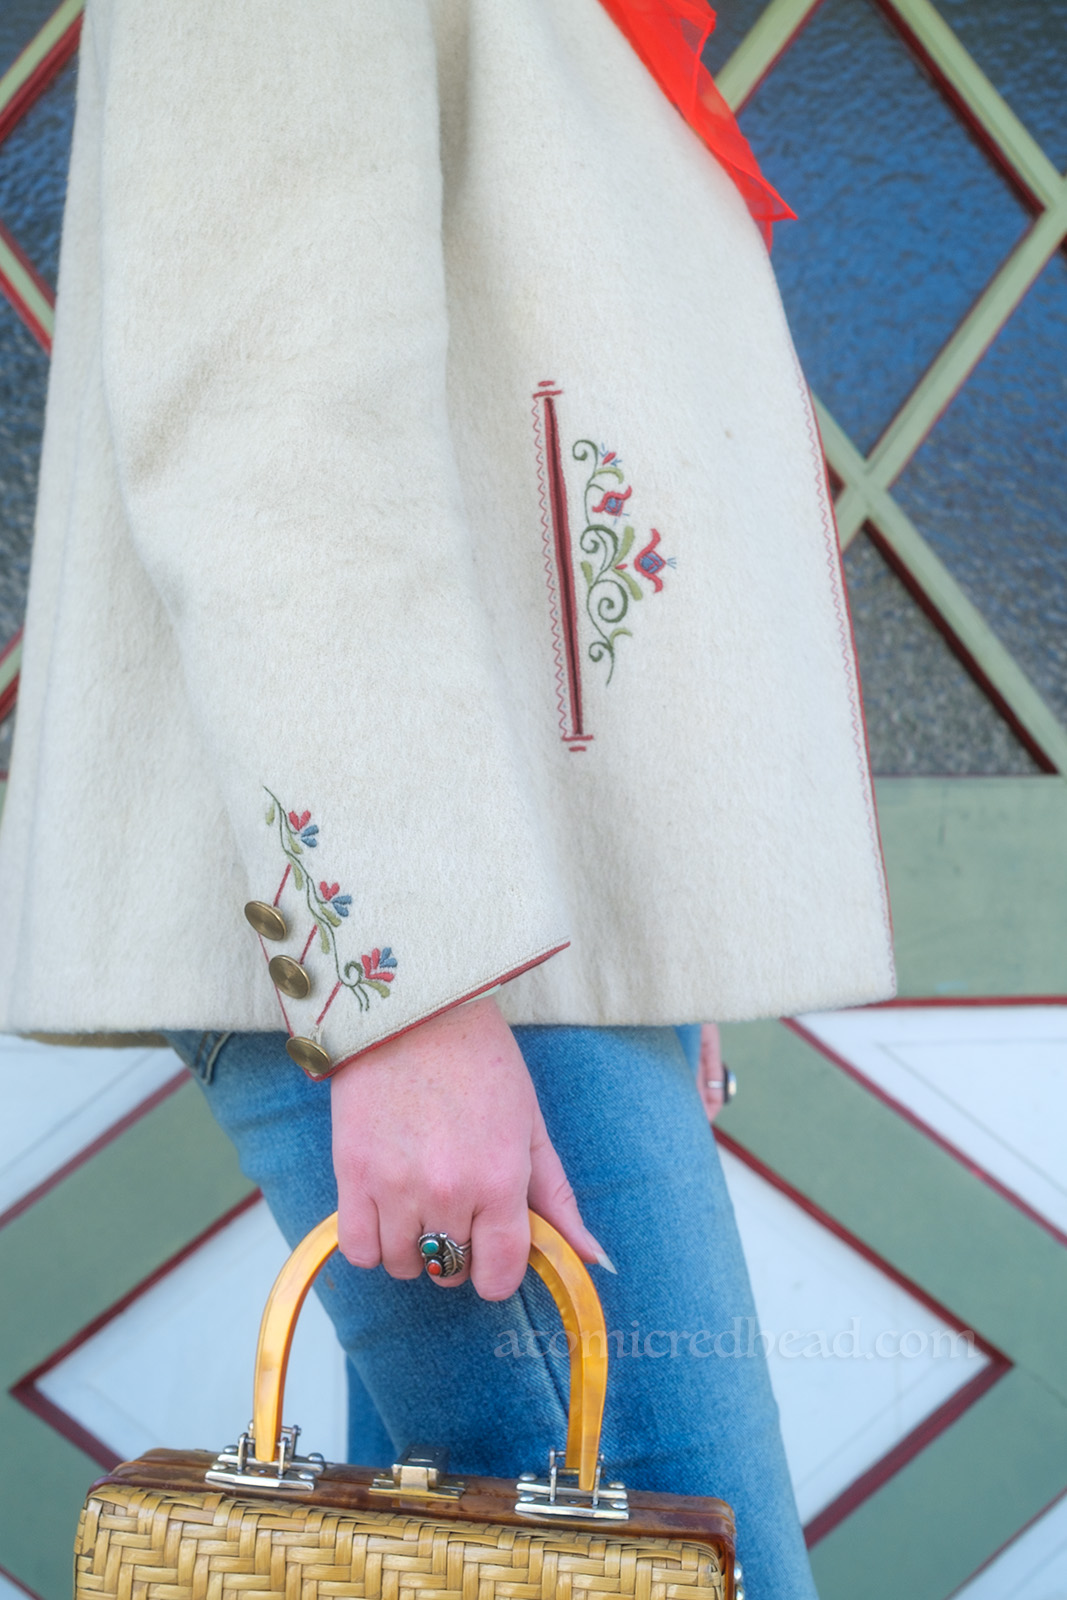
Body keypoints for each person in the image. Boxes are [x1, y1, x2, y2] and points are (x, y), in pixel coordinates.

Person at [0, 2, 895, 1596]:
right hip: (434, 941)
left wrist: (637, 926)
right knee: (684, 1561)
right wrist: (405, 988)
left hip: (506, 929)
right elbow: (272, 402)